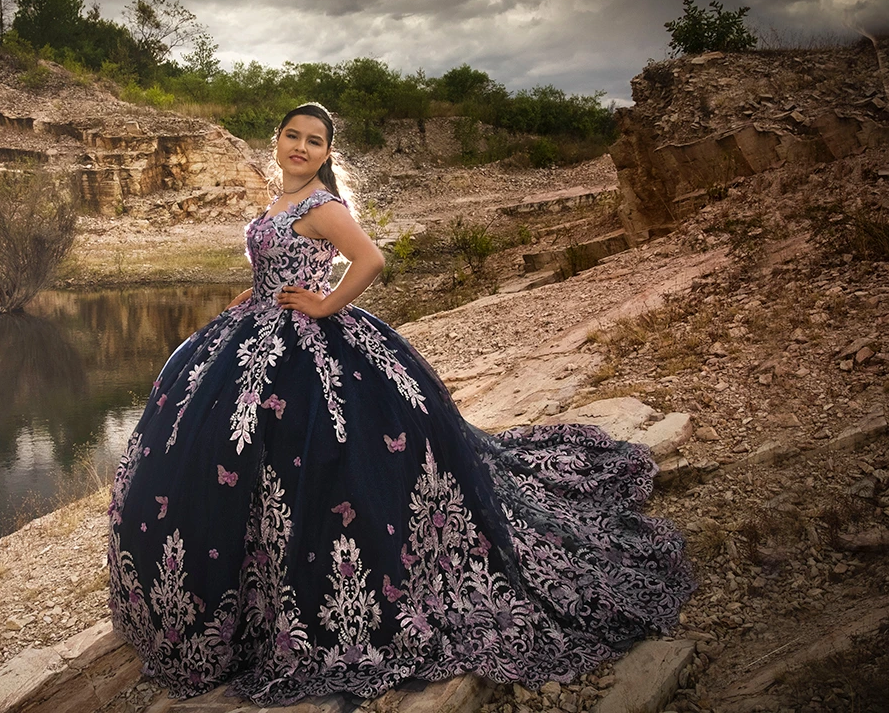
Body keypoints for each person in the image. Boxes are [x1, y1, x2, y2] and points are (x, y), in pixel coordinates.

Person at [106, 102, 695, 705]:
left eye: (315, 141)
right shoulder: (277, 202)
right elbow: (279, 261)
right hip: (256, 328)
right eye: (293, 136)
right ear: (277, 140)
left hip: (308, 339)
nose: (302, 147)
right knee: (222, 450)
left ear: (328, 154)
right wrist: (253, 291)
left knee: (324, 456)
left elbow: (371, 260)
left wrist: (325, 305)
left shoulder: (324, 205)